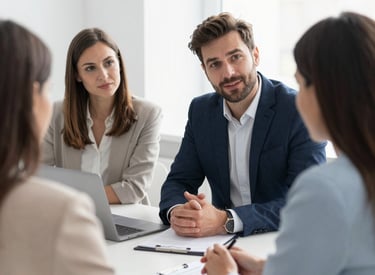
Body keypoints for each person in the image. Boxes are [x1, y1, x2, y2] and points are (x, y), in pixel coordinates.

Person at [201, 11, 375, 275]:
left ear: (328, 92)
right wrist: (266, 268)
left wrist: (225, 273)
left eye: (301, 84)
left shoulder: (324, 189)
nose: (298, 98)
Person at [159, 12, 326, 237]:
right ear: (205, 70)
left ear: (255, 55)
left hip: (286, 238)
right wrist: (178, 212)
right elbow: (179, 180)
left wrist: (226, 220)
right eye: (215, 64)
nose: (227, 72)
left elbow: (308, 201)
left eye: (235, 57)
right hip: (222, 244)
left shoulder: (298, 109)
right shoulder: (201, 111)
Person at [0, 20, 114, 274]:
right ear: (32, 97)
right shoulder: (62, 211)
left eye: (108, 62)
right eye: (48, 89)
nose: (103, 74)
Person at [42, 27, 162, 204]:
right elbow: (41, 176)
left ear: (119, 63)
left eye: (109, 63)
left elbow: (133, 189)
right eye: (90, 68)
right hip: (71, 215)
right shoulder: (56, 114)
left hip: (125, 218)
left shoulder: (148, 114)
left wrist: (75, 198)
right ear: (77, 75)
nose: (104, 75)